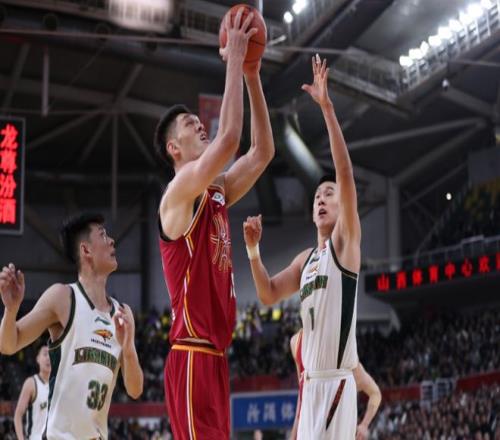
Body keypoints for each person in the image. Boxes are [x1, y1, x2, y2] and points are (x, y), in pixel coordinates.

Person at [154, 6, 274, 439]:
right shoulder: (177, 195)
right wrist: (235, 59)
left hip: (216, 358)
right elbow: (230, 138)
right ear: (174, 148)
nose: (200, 126)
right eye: (191, 125)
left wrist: (253, 76)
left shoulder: (215, 189)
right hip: (190, 354)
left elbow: (262, 153)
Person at [243, 54, 361, 439]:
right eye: (317, 196)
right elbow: (267, 293)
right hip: (309, 386)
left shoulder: (344, 244)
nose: (322, 198)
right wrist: (253, 251)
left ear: (343, 205)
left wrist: (326, 108)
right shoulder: (305, 260)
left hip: (336, 383)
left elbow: (345, 174)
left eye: (329, 194)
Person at [0, 212, 143, 439]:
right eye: (103, 235)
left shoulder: (122, 314)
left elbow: (135, 390)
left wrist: (128, 350)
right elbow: (9, 345)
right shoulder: (62, 297)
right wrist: (11, 310)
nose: (112, 241)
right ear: (86, 250)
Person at [289, 330, 381, 440]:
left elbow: (375, 393)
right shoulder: (296, 342)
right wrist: (293, 434)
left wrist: (364, 425)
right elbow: (302, 394)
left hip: (337, 430)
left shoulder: (343, 353)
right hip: (310, 427)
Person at [14, 345, 51, 440]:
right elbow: (18, 415)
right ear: (38, 358)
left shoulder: (58, 384)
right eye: (45, 354)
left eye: (51, 354)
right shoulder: (31, 383)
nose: (48, 358)